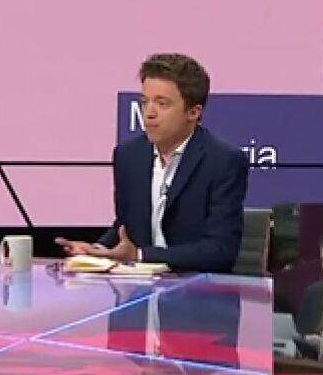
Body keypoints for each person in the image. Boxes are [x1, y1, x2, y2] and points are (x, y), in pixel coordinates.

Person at [57, 53, 249, 273]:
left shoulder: (223, 161)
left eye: (162, 103)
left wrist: (141, 255)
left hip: (198, 287)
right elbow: (125, 226)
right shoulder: (129, 156)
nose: (149, 113)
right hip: (138, 286)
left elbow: (220, 251)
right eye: (144, 102)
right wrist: (96, 251)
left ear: (193, 112)